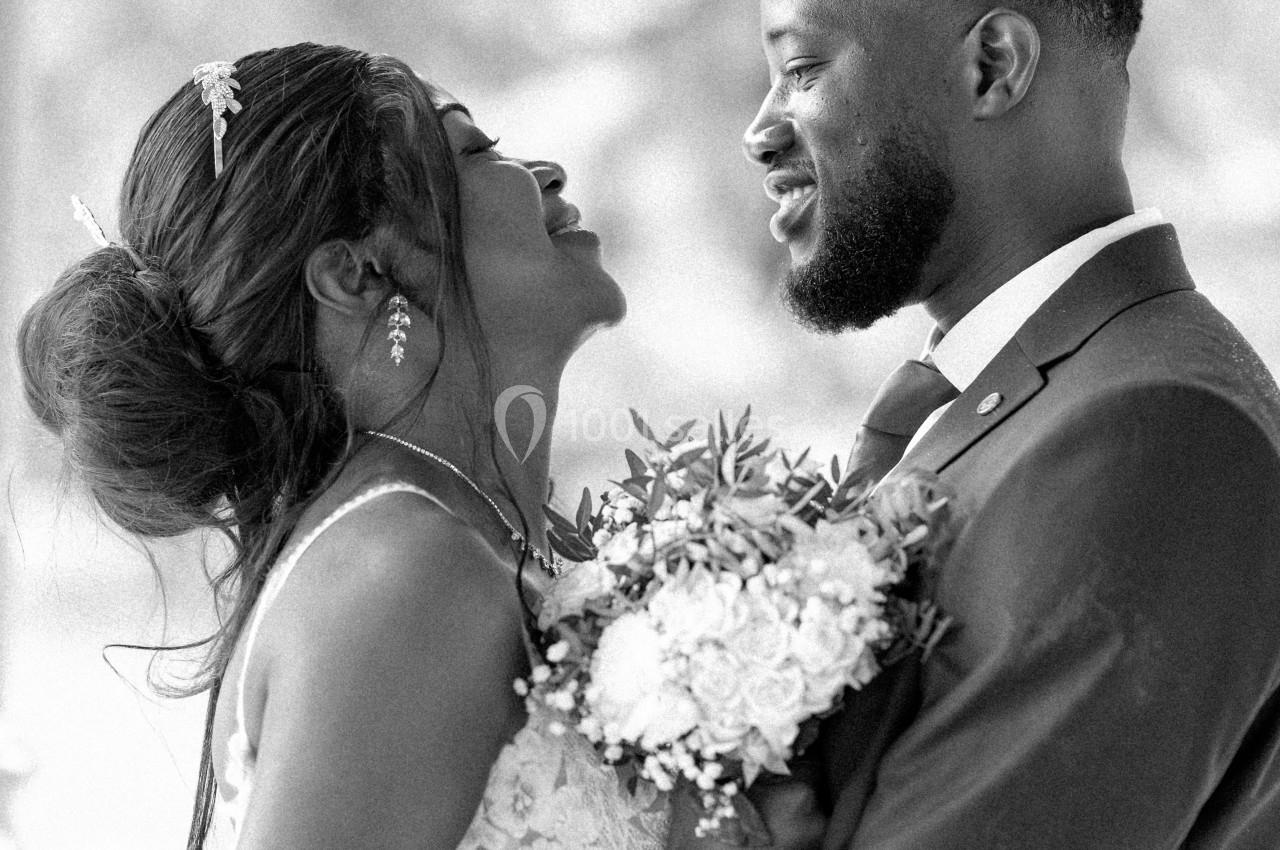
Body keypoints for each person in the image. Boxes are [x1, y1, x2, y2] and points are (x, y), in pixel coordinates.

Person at [18, 44, 668, 849]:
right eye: (476, 152)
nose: (549, 170)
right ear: (357, 277)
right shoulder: (403, 569)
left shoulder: (444, 543)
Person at [671, 1, 1280, 847]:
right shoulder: (1014, 397)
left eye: (802, 71)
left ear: (991, 65)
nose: (760, 132)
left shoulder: (1153, 429)